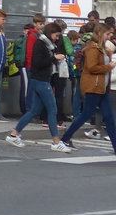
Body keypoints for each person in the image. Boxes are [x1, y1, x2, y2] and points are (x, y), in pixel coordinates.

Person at [6, 21, 70, 151]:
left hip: (39, 79)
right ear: (51, 33)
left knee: (34, 111)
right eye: (56, 35)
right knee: (52, 110)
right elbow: (38, 62)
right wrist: (54, 58)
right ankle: (56, 142)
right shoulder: (41, 44)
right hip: (41, 80)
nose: (57, 38)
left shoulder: (45, 44)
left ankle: (14, 134)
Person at [60, 23, 116, 154]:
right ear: (101, 33)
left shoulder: (100, 48)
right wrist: (109, 67)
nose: (110, 36)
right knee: (87, 114)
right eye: (108, 34)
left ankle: (65, 138)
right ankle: (65, 138)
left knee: (108, 117)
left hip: (101, 87)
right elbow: (92, 67)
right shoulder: (93, 48)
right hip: (94, 86)